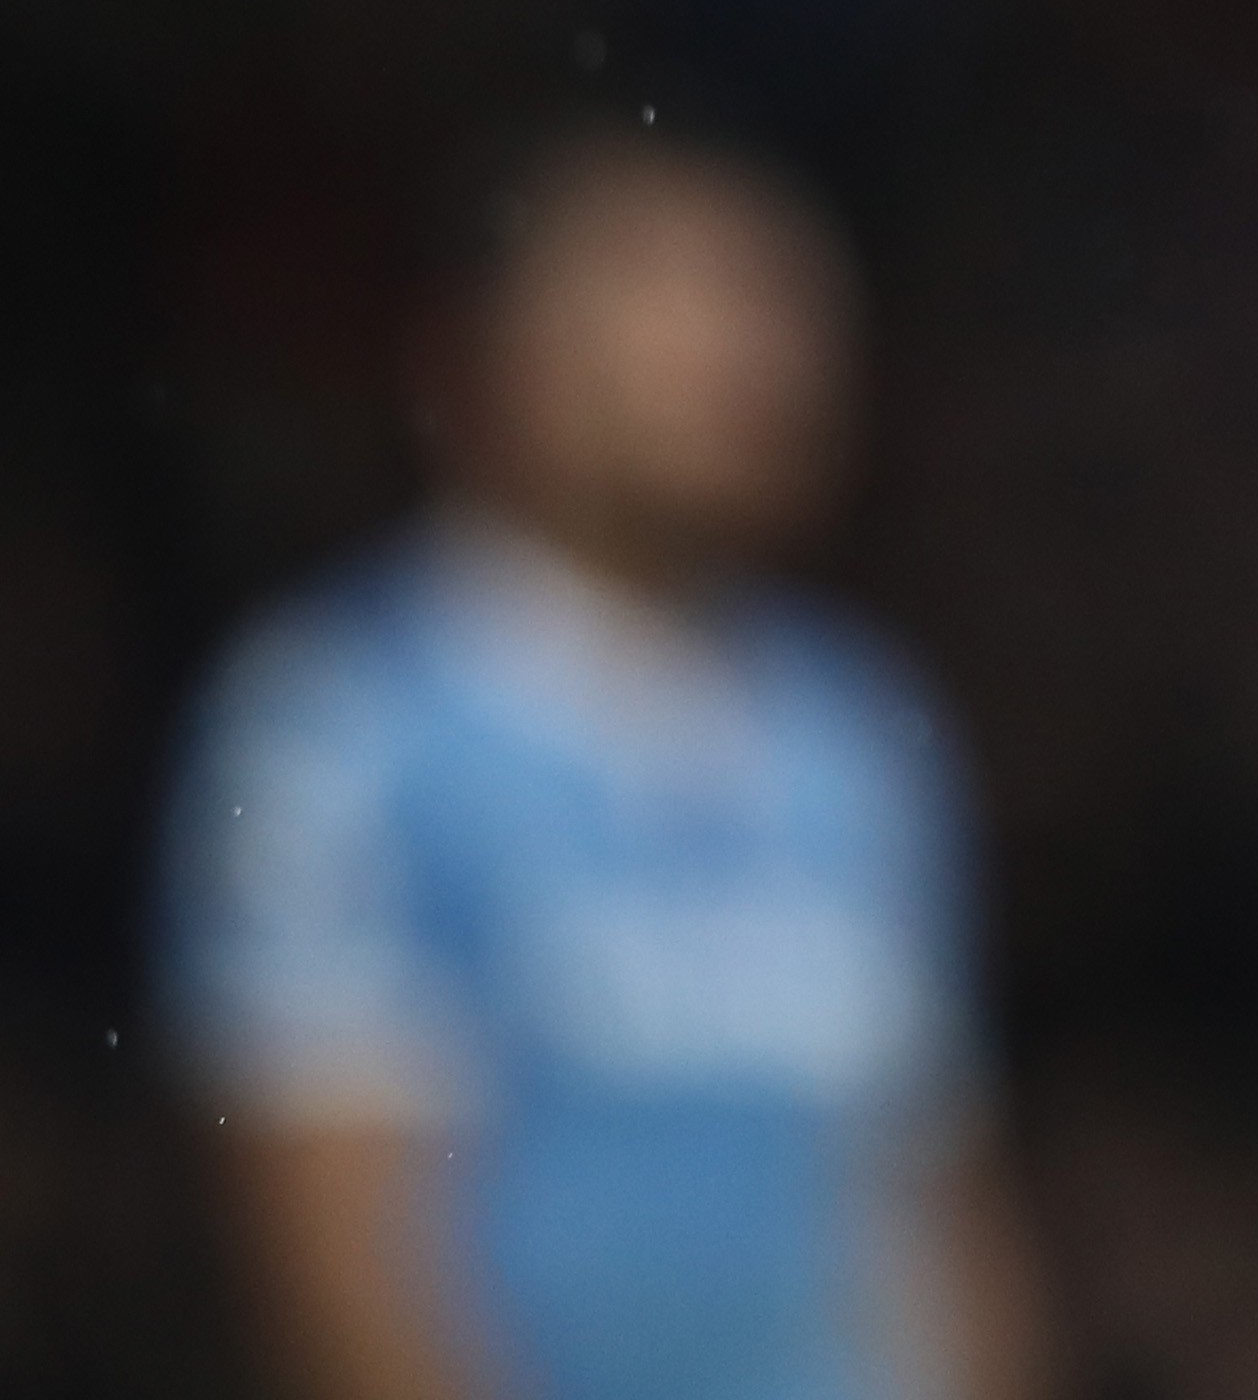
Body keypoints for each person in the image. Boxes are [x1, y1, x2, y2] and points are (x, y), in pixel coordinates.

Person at [162, 126, 1048, 1400]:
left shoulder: (859, 737)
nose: (748, 351)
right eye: (671, 288)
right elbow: (341, 1257)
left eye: (783, 303)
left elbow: (928, 1205)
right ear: (487, 352)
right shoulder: (339, 728)